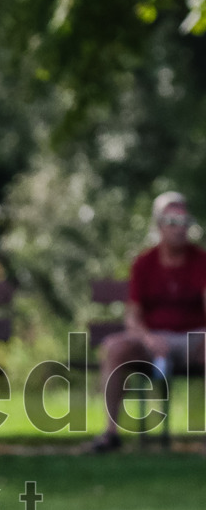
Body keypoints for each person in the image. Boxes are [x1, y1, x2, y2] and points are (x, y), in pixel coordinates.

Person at [88, 191, 206, 452]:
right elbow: (133, 316)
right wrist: (148, 339)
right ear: (159, 226)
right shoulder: (144, 264)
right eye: (172, 222)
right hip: (153, 341)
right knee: (116, 348)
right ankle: (110, 434)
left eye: (184, 221)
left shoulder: (201, 261)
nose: (179, 228)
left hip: (194, 339)